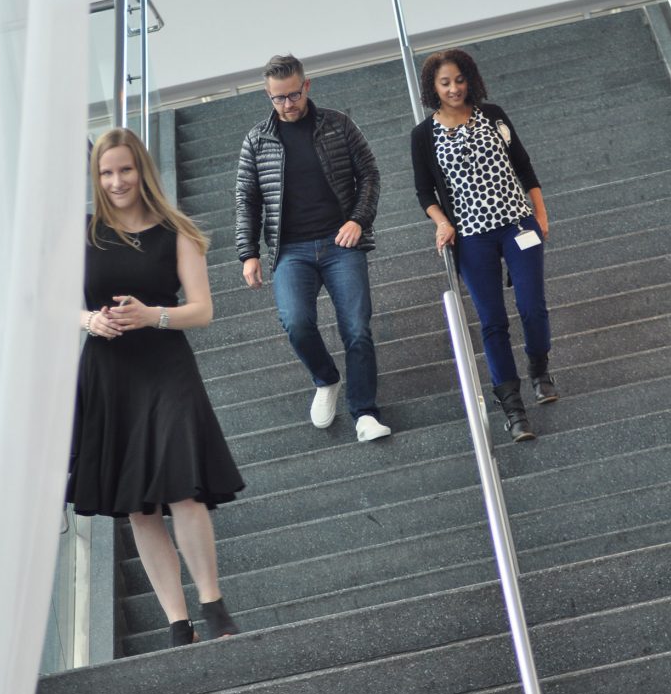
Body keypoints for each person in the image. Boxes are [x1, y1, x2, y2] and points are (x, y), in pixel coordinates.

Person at [66, 128, 244, 646]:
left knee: (183, 488)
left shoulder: (175, 231)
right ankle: (177, 624)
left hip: (166, 366)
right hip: (108, 373)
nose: (116, 181)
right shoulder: (81, 234)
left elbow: (202, 310)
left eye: (125, 169)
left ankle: (213, 606)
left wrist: (152, 315)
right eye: (106, 172)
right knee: (139, 506)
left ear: (142, 169)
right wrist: (87, 320)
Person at [236, 54, 390, 442]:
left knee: (356, 328)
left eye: (293, 95)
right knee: (296, 322)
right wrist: (248, 253)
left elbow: (369, 174)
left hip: (341, 243)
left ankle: (364, 413)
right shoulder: (257, 140)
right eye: (278, 98)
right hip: (291, 250)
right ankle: (326, 379)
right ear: (268, 95)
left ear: (306, 86)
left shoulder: (338, 124)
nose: (287, 104)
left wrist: (358, 220)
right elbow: (247, 200)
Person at [410, 48, 558, 441]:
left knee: (532, 306)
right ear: (433, 87)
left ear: (470, 79)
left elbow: (524, 165)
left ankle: (540, 369)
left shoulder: (493, 115)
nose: (454, 88)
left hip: (517, 225)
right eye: (445, 83)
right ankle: (513, 408)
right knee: (492, 321)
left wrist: (540, 213)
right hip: (472, 237)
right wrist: (442, 223)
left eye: (459, 80)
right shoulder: (423, 136)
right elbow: (424, 192)